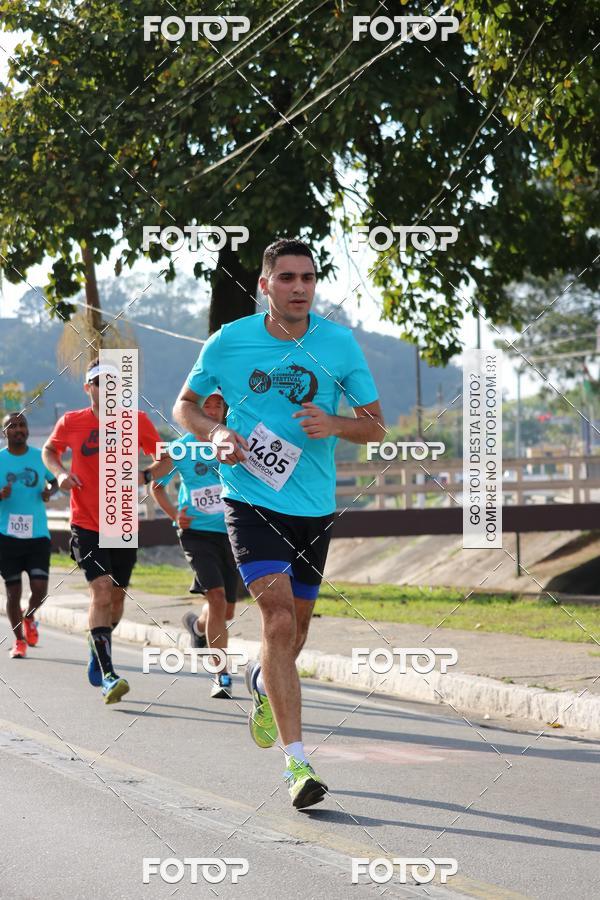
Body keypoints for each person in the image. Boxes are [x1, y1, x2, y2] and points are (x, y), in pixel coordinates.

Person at [173, 238, 384, 809]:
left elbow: (375, 427)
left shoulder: (338, 345)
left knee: (295, 636)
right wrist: (215, 434)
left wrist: (335, 423)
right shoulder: (229, 341)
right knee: (278, 620)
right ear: (265, 285)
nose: (298, 287)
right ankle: (299, 766)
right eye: (287, 277)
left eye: (308, 278)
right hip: (250, 501)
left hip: (313, 508)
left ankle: (266, 681)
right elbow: (185, 405)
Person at [42, 358, 160, 704]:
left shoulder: (136, 421)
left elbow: (165, 457)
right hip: (86, 522)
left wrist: (146, 474)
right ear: (88, 388)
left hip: (122, 521)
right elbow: (50, 451)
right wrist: (60, 474)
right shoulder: (72, 422)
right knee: (102, 591)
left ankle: (99, 643)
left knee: (118, 598)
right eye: (98, 382)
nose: (105, 388)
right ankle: (109, 675)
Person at [147, 389, 238, 700]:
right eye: (206, 405)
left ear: (224, 410)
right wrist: (175, 516)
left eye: (218, 405)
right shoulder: (181, 448)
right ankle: (221, 674)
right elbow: (156, 484)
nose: (212, 410)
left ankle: (197, 627)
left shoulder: (232, 441)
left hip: (231, 532)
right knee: (215, 597)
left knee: (226, 611)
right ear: (194, 411)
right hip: (196, 534)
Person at [0, 413, 58, 658]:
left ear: (28, 430)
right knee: (13, 593)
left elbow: (54, 482)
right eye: (12, 426)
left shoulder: (39, 457)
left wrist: (48, 492)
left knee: (40, 589)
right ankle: (19, 641)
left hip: (37, 535)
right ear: (5, 433)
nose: (18, 429)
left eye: (22, 425)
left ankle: (30, 615)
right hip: (7, 537)